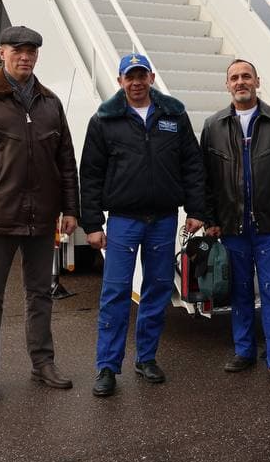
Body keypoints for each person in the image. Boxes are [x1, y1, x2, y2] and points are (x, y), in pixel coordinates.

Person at [0, 25, 80, 403]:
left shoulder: (50, 102)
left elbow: (65, 161)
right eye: (17, 50)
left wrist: (71, 209)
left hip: (42, 219)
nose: (25, 57)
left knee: (40, 295)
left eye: (31, 52)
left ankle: (43, 363)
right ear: (1, 53)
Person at [79, 53, 207, 398]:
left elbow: (192, 165)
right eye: (129, 77)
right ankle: (108, 366)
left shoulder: (174, 116)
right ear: (120, 81)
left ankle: (146, 358)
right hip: (123, 221)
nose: (136, 82)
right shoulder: (104, 120)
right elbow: (90, 175)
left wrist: (196, 209)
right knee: (116, 292)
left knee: (158, 289)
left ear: (151, 77)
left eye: (141, 76)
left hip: (163, 220)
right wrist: (92, 224)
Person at [201, 59, 270, 386]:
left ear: (257, 81)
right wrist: (210, 219)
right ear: (227, 85)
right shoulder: (213, 126)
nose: (241, 82)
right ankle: (244, 351)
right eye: (234, 78)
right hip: (233, 228)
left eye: (246, 76)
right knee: (240, 292)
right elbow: (205, 180)